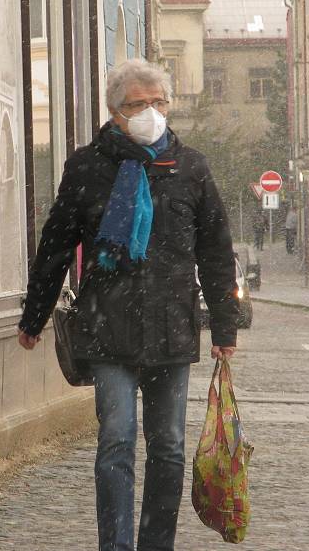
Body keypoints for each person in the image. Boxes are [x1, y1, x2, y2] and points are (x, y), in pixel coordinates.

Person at [18, 58, 239, 551]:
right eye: (138, 104)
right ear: (115, 111)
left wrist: (225, 328)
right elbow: (54, 246)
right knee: (115, 441)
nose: (151, 112)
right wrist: (34, 316)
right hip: (107, 325)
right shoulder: (87, 167)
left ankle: (155, 544)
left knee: (169, 447)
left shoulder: (190, 167)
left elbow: (216, 252)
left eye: (159, 102)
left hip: (172, 327)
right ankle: (114, 545)